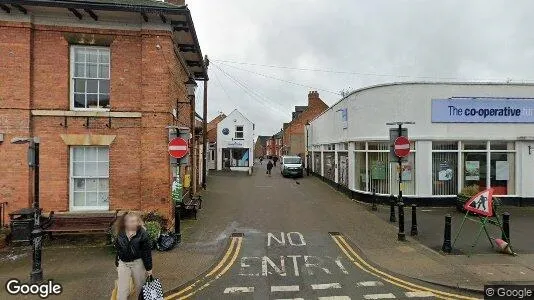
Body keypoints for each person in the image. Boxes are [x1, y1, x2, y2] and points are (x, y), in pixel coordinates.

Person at [114, 212, 153, 300]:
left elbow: (146, 252)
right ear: (125, 222)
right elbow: (119, 249)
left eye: (135, 221)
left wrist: (149, 269)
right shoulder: (120, 233)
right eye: (130, 221)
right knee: (122, 289)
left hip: (138, 263)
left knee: (140, 287)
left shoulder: (143, 234)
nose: (133, 223)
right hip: (123, 263)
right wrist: (117, 263)